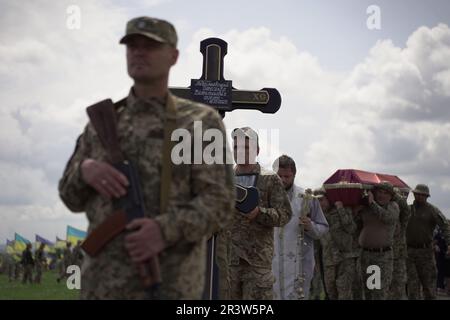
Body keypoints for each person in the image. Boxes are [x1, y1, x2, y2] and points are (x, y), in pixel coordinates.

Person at [58, 16, 234, 299]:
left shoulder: (199, 122)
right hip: (101, 286)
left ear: (173, 56)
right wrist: (85, 170)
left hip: (168, 285)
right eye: (132, 46)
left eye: (150, 46)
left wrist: (164, 230)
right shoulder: (102, 124)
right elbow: (70, 197)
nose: (139, 52)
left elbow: (221, 202)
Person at [224, 128, 291, 300]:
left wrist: (259, 213)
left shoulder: (270, 179)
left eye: (246, 147)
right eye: (237, 147)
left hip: (257, 264)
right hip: (228, 262)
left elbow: (285, 214)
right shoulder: (224, 178)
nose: (241, 151)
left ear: (257, 151)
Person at [272, 155, 328, 300]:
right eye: (279, 176)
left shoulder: (306, 199)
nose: (283, 180)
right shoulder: (266, 196)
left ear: (294, 175)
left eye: (287, 176)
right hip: (271, 264)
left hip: (299, 265)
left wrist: (310, 226)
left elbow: (323, 228)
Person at [355, 181, 399, 300]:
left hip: (382, 257)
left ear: (391, 196)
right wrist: (357, 210)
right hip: (365, 255)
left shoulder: (393, 206)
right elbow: (356, 226)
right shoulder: (367, 207)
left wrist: (372, 203)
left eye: (386, 193)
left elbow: (387, 218)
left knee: (379, 292)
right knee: (367, 291)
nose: (382, 195)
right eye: (380, 192)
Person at [406, 184, 450, 300]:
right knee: (412, 286)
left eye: (422, 194)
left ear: (426, 196)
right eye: (417, 194)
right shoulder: (408, 209)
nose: (419, 196)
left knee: (428, 285)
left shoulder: (432, 210)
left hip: (425, 252)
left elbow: (445, 226)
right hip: (409, 252)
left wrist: (449, 243)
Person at [314, 188, 356, 300]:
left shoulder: (342, 210)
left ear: (328, 199)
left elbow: (351, 228)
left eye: (322, 200)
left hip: (345, 259)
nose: (320, 203)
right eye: (317, 201)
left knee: (344, 293)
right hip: (328, 261)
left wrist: (340, 209)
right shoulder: (315, 217)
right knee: (331, 293)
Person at [388, 188, 411, 299]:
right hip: (380, 256)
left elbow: (406, 210)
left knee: (398, 287)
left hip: (398, 256)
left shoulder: (402, 219)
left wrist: (394, 195)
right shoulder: (382, 213)